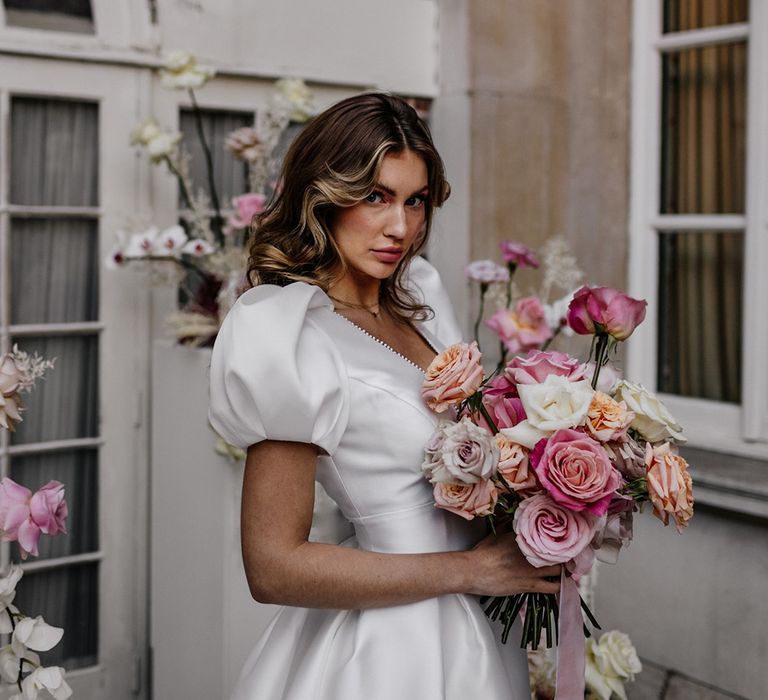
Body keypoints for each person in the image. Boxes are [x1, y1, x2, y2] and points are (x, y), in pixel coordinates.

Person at [208, 92, 561, 700]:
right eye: (375, 196)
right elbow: (272, 566)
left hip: (482, 631)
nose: (401, 227)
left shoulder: (422, 299)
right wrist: (471, 571)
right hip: (390, 652)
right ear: (324, 195)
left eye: (415, 200)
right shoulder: (285, 331)